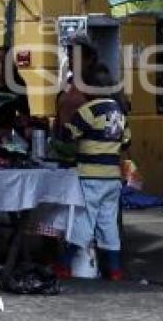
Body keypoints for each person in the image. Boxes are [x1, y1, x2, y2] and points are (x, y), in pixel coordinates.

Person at [60, 64, 130, 281]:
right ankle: (115, 270)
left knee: (84, 221)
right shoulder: (119, 111)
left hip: (90, 175)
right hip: (112, 177)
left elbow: (67, 135)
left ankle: (64, 266)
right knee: (108, 223)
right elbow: (127, 141)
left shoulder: (88, 110)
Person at [0, 46, 31, 144]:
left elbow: (24, 112)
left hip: (9, 133)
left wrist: (21, 125)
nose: (0, 64)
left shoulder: (17, 83)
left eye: (3, 60)